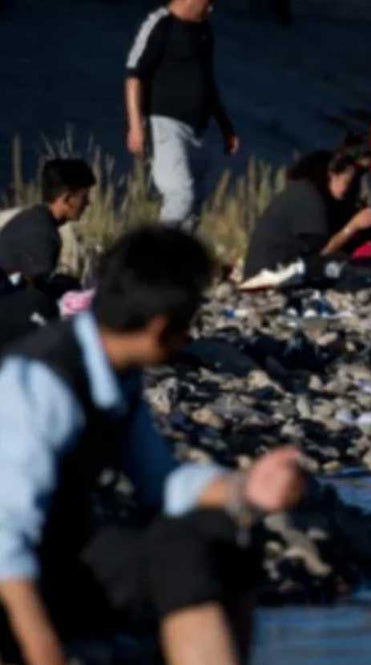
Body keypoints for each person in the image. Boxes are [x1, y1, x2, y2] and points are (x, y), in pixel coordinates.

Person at [0, 227, 305, 665]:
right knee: (178, 553)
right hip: (16, 580)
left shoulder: (113, 368)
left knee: (222, 535)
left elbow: (161, 484)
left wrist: (246, 490)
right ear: (163, 327)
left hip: (60, 553)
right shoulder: (41, 384)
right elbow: (5, 540)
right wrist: (44, 654)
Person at [125, 0, 239, 232]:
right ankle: (153, 257)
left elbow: (208, 82)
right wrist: (135, 126)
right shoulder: (161, 24)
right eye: (208, 3)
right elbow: (134, 75)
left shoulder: (205, 30)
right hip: (165, 124)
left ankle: (179, 263)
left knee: (194, 205)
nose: (211, 9)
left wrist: (226, 126)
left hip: (198, 129)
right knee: (181, 195)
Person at [242, 151, 371, 287]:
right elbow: (321, 253)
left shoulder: (302, 192)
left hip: (267, 270)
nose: (349, 190)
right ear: (331, 175)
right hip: (270, 274)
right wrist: (353, 226)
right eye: (347, 182)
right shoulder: (310, 199)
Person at [0, 159, 94, 289]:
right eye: (84, 197)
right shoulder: (44, 235)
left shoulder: (32, 219)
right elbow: (37, 296)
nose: (88, 203)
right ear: (67, 198)